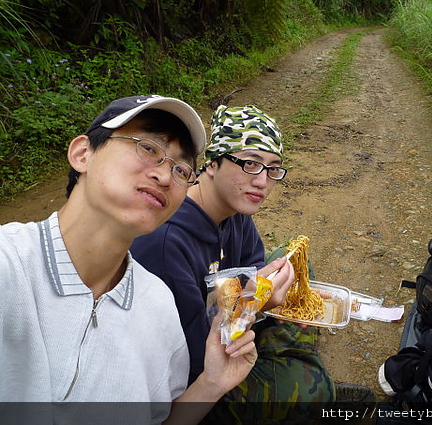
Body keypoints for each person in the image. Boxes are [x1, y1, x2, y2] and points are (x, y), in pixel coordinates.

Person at [0, 95, 259, 425]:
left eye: (181, 169)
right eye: (148, 148)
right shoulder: (10, 266)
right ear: (83, 154)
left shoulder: (158, 306)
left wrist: (211, 384)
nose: (165, 177)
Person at [131, 104, 349, 423]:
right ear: (212, 164)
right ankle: (294, 366)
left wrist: (261, 299)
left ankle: (288, 357)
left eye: (273, 169)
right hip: (199, 372)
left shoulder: (235, 213)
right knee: (312, 393)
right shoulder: (167, 245)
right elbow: (196, 362)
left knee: (291, 260)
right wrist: (257, 307)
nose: (262, 182)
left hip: (231, 322)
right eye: (250, 164)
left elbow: (252, 269)